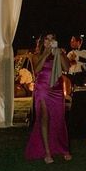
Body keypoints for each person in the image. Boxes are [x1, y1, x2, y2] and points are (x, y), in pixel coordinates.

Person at [24, 33, 72, 164]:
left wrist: (60, 54)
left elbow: (66, 68)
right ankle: (47, 151)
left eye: (52, 39)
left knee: (59, 117)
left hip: (56, 89)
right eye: (47, 39)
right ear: (43, 42)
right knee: (44, 117)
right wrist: (45, 53)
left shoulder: (59, 53)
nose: (50, 41)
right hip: (42, 89)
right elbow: (37, 70)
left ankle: (62, 148)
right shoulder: (36, 55)